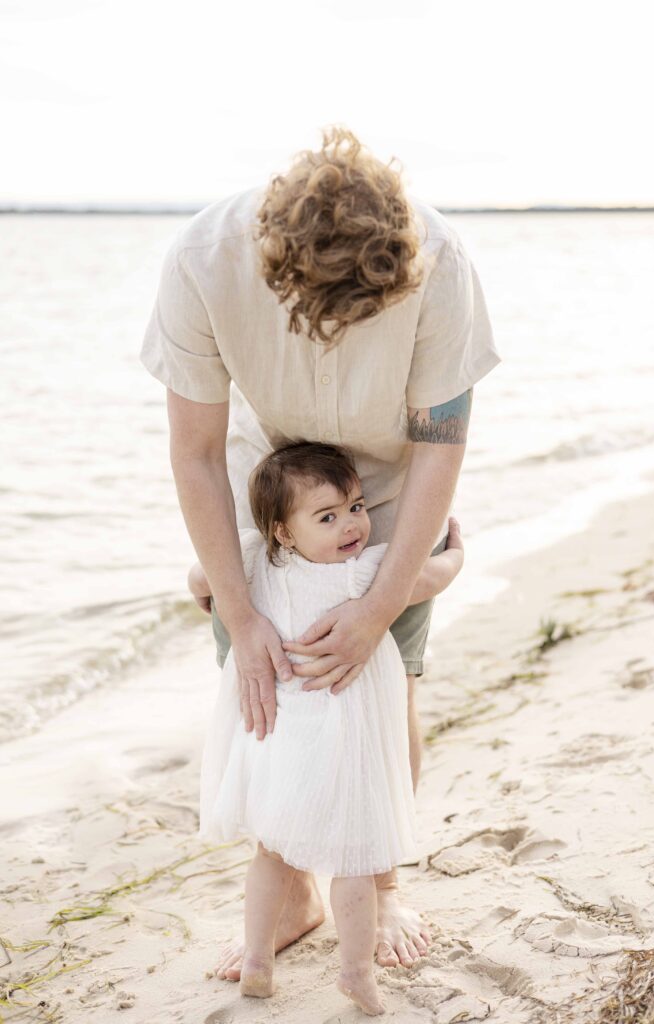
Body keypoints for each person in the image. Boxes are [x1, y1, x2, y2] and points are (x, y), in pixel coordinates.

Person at [139, 124, 501, 975]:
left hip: (378, 494)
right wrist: (237, 603)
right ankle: (292, 888)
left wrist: (382, 604)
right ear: (275, 264)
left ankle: (376, 886)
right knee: (269, 694)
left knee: (384, 691)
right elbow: (192, 451)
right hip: (263, 488)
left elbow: (440, 444)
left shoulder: (440, 262)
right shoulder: (202, 259)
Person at [193, 440, 465, 1015]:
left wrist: (212, 596)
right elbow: (425, 580)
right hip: (345, 748)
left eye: (358, 507)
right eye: (328, 516)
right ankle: (355, 974)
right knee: (356, 862)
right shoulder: (362, 575)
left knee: (271, 855)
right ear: (284, 533)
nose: (352, 527)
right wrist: (456, 556)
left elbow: (200, 578)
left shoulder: (250, 562)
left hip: (281, 750)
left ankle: (261, 962)